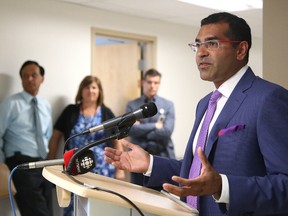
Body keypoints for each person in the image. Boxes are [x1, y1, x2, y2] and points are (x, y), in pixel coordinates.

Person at [104, 12, 288, 216]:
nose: (201, 52)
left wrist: (223, 187)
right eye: (197, 45)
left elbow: (285, 184)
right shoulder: (205, 104)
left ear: (241, 49)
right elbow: (196, 172)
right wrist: (151, 163)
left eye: (212, 44)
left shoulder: (268, 98)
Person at [48, 75, 125, 216]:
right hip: (74, 167)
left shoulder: (106, 112)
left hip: (102, 170)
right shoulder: (70, 111)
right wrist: (51, 162)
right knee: (73, 207)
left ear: (99, 91)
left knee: (100, 208)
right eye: (87, 87)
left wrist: (119, 168)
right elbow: (55, 138)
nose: (91, 90)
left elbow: (117, 140)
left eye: (94, 87)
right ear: (81, 90)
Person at [0, 60, 53, 216]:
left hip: (43, 164)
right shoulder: (10, 103)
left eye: (33, 75)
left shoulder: (45, 105)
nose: (29, 79)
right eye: (25, 76)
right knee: (36, 212)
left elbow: (47, 134)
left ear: (41, 78)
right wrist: (3, 165)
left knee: (49, 209)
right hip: (20, 163)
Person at [126, 68, 176, 186]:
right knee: (137, 195)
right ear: (142, 83)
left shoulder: (168, 105)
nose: (152, 86)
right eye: (149, 82)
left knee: (162, 196)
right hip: (137, 156)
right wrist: (155, 126)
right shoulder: (132, 105)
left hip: (162, 156)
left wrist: (141, 127)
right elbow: (131, 129)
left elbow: (167, 131)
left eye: (156, 83)